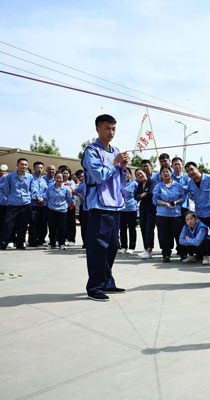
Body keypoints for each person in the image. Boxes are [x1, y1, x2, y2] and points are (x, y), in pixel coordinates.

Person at [81, 114, 128, 301]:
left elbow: (120, 179)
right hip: (99, 205)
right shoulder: (91, 151)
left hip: (115, 205)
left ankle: (107, 282)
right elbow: (99, 176)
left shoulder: (115, 150)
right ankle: (94, 287)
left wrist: (123, 167)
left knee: (113, 246)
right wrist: (114, 162)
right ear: (98, 129)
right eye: (107, 128)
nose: (111, 132)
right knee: (98, 247)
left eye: (114, 128)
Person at [0, 158, 43, 251]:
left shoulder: (30, 177)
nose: (24, 166)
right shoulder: (10, 176)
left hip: (26, 204)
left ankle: (20, 244)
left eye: (25, 165)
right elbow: (6, 189)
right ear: (17, 165)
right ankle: (2, 244)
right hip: (13, 204)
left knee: (23, 225)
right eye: (22, 164)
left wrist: (35, 196)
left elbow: (33, 189)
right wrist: (10, 197)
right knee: (7, 224)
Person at [184, 161, 210, 263]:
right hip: (199, 213)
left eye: (191, 169)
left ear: (197, 168)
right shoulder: (190, 183)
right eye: (187, 171)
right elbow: (182, 191)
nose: (190, 173)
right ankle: (204, 255)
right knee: (200, 235)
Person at [153, 165, 186, 263]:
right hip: (162, 214)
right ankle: (166, 254)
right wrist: (165, 203)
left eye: (167, 171)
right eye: (163, 172)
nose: (165, 174)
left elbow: (183, 197)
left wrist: (176, 202)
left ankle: (182, 253)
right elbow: (155, 200)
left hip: (176, 214)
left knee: (178, 234)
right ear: (161, 174)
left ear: (171, 173)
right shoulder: (158, 186)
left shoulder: (178, 185)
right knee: (164, 235)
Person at [45, 171, 73, 249]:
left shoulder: (66, 189)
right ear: (54, 178)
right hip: (51, 209)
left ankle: (62, 243)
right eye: (57, 178)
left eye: (60, 178)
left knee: (62, 228)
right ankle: (52, 243)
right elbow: (47, 197)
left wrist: (65, 205)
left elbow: (69, 199)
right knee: (52, 227)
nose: (59, 179)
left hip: (62, 210)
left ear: (63, 179)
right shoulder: (50, 187)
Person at [135, 162, 156, 259]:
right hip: (142, 208)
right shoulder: (139, 184)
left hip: (151, 208)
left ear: (145, 173)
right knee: (143, 227)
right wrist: (141, 195)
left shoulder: (151, 182)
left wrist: (142, 195)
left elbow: (151, 193)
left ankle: (149, 249)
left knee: (149, 229)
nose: (140, 175)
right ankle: (145, 248)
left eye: (141, 173)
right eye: (137, 175)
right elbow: (135, 196)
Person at [28, 161, 47, 247]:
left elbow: (46, 191)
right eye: (37, 168)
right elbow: (31, 190)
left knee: (41, 223)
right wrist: (37, 198)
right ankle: (32, 241)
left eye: (41, 168)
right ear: (34, 168)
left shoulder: (43, 180)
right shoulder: (30, 178)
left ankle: (39, 240)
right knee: (33, 223)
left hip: (42, 204)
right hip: (33, 204)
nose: (39, 169)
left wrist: (43, 198)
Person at [119, 169, 138, 254]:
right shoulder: (119, 184)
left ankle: (131, 247)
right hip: (121, 209)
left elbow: (138, 194)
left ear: (130, 174)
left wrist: (135, 203)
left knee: (131, 228)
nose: (126, 175)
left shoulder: (134, 184)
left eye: (127, 173)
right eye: (124, 174)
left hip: (131, 209)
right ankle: (123, 246)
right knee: (122, 228)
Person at [60, 166, 77, 246]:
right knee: (61, 223)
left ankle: (71, 239)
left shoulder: (71, 182)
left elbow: (71, 190)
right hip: (60, 205)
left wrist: (65, 187)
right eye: (64, 173)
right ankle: (61, 238)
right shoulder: (58, 181)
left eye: (67, 173)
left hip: (70, 205)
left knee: (71, 222)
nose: (66, 175)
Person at [74, 175, 88, 248]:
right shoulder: (82, 185)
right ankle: (85, 242)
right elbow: (75, 191)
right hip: (83, 207)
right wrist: (82, 197)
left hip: (93, 207)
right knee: (84, 226)